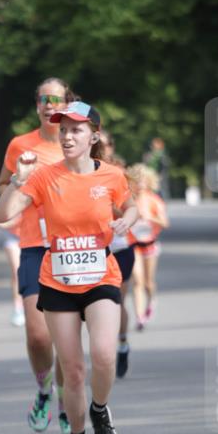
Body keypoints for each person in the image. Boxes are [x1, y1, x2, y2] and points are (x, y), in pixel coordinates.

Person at [0, 101, 138, 434]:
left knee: (104, 354)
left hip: (100, 275)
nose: (67, 135)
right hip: (57, 280)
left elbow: (131, 205)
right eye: (63, 129)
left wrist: (126, 222)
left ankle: (100, 410)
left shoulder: (111, 176)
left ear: (94, 136)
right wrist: (18, 179)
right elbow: (3, 215)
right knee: (73, 369)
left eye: (76, 129)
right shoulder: (44, 177)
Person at [0, 78, 71, 434]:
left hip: (72, 248)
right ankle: (44, 391)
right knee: (39, 335)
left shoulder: (79, 141)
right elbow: (1, 185)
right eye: (43, 99)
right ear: (36, 105)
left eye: (55, 99)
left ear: (67, 103)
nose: (48, 104)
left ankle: (66, 402)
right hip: (34, 246)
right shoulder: (20, 145)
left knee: (65, 336)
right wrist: (18, 187)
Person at [99, 131, 134, 378]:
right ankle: (102, 350)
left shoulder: (118, 173)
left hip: (119, 248)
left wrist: (103, 203)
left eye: (106, 145)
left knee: (115, 302)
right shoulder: (79, 171)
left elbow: (128, 211)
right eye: (97, 143)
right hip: (90, 250)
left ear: (111, 147)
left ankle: (121, 343)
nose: (101, 148)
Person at [127, 164, 169, 330]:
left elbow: (165, 223)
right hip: (132, 243)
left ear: (149, 182)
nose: (140, 184)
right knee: (137, 280)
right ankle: (139, 317)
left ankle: (151, 298)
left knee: (148, 283)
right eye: (136, 181)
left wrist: (150, 217)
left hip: (149, 243)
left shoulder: (154, 200)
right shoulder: (128, 200)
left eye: (143, 180)